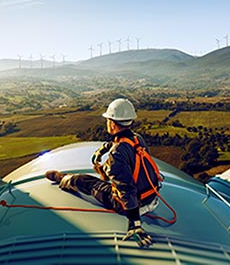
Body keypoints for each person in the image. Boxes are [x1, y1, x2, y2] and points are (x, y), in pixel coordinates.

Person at [45, 98, 161, 248]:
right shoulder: (138, 139)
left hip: (132, 205)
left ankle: (63, 178)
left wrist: (134, 223)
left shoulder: (116, 155)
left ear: (112, 124)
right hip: (151, 197)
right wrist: (102, 149)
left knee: (86, 181)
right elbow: (120, 145)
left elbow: (126, 188)